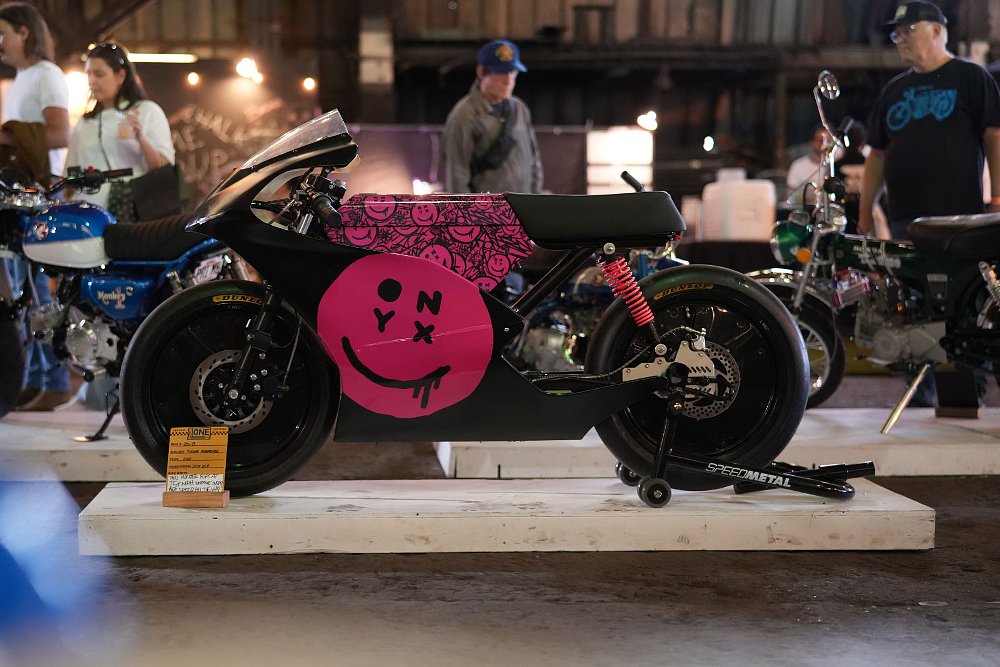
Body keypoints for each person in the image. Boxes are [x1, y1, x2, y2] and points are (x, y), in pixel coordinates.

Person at [858, 1, 1000, 408]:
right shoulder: (894, 90)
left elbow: (994, 137)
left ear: (938, 31)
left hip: (963, 219)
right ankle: (921, 394)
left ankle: (966, 392)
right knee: (911, 306)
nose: (899, 37)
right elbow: (877, 157)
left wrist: (997, 197)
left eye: (909, 29)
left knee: (963, 305)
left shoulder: (971, 77)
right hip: (907, 219)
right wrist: (866, 212)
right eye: (895, 32)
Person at [0, 2, 72, 411]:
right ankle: (35, 377)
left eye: (3, 33)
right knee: (22, 297)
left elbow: (60, 133)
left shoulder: (47, 76)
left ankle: (57, 379)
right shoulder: (23, 78)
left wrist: (10, 138)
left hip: (38, 197)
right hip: (16, 197)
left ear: (24, 32)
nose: (0, 43)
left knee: (39, 291)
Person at [64, 41, 175, 223]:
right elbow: (69, 176)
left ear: (121, 75)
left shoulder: (146, 111)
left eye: (99, 74)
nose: (92, 81)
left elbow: (162, 167)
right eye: (89, 74)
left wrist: (140, 138)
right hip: (89, 219)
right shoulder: (85, 122)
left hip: (136, 215)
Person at [443, 38, 542, 195]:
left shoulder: (519, 109)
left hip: (525, 208)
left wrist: (537, 200)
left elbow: (533, 161)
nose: (508, 80)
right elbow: (457, 175)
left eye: (513, 72)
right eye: (501, 72)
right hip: (487, 215)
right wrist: (468, 216)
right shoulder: (464, 116)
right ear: (482, 73)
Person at [785, 126, 825, 204]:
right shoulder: (798, 165)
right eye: (820, 140)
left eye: (828, 140)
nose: (824, 144)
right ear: (812, 142)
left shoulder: (835, 166)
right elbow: (790, 196)